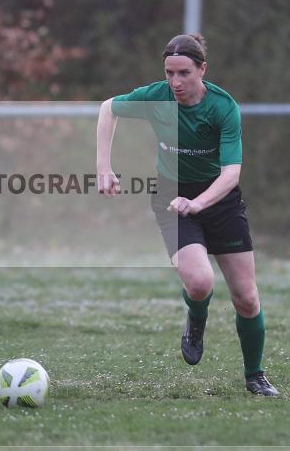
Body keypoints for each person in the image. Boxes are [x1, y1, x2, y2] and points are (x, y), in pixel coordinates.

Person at [96, 33, 279, 397]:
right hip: (171, 195)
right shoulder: (156, 96)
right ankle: (196, 320)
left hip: (220, 200)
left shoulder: (223, 107)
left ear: (202, 70)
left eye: (184, 73)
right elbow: (107, 108)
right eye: (169, 73)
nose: (175, 82)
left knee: (246, 297)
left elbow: (231, 174)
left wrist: (199, 203)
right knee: (199, 282)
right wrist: (104, 166)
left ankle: (255, 376)